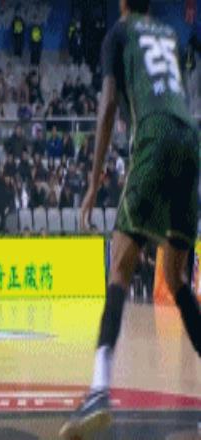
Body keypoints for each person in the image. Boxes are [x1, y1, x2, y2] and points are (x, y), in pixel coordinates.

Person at [60, 0, 200, 438]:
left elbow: (107, 108)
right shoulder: (170, 35)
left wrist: (93, 182)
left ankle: (99, 389)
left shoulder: (119, 33)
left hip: (155, 136)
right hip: (190, 138)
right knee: (176, 278)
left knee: (119, 268)